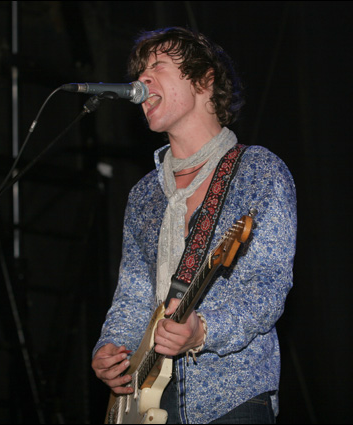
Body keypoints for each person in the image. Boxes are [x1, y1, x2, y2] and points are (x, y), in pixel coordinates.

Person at [91, 26, 297, 424]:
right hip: (150, 399)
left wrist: (203, 329)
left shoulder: (258, 171)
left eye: (158, 66)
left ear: (204, 80)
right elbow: (133, 294)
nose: (142, 78)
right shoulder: (144, 195)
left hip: (231, 397)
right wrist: (111, 347)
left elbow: (268, 285)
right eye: (140, 71)